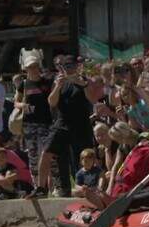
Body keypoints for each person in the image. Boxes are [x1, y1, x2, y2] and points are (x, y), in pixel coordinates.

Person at [29, 55, 100, 198]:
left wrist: (82, 84)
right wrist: (58, 86)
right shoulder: (59, 81)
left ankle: (89, 189)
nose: (68, 69)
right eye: (65, 66)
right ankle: (41, 188)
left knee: (84, 158)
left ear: (77, 67)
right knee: (46, 152)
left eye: (70, 66)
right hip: (61, 124)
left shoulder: (85, 81)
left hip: (81, 125)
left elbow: (93, 99)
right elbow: (52, 102)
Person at [16, 54, 53, 184]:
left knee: (48, 153)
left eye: (35, 66)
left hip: (46, 122)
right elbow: (16, 102)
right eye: (30, 67)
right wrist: (23, 106)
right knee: (33, 155)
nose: (33, 69)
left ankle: (51, 184)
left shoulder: (47, 82)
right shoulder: (24, 84)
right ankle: (37, 184)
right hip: (29, 123)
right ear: (26, 69)